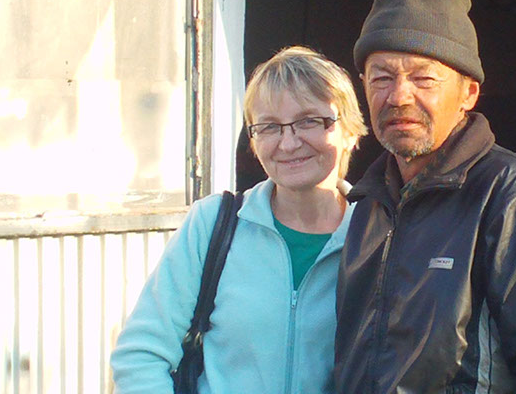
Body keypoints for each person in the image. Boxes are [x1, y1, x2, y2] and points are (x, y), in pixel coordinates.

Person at [334, 0, 516, 394]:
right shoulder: (368, 204)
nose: (398, 96)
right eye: (381, 77)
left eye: (423, 78)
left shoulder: (514, 195)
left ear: (469, 93)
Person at [111, 45, 367, 393]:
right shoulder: (213, 224)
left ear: (350, 131)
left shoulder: (374, 236)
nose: (288, 143)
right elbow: (140, 355)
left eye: (309, 121)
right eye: (269, 126)